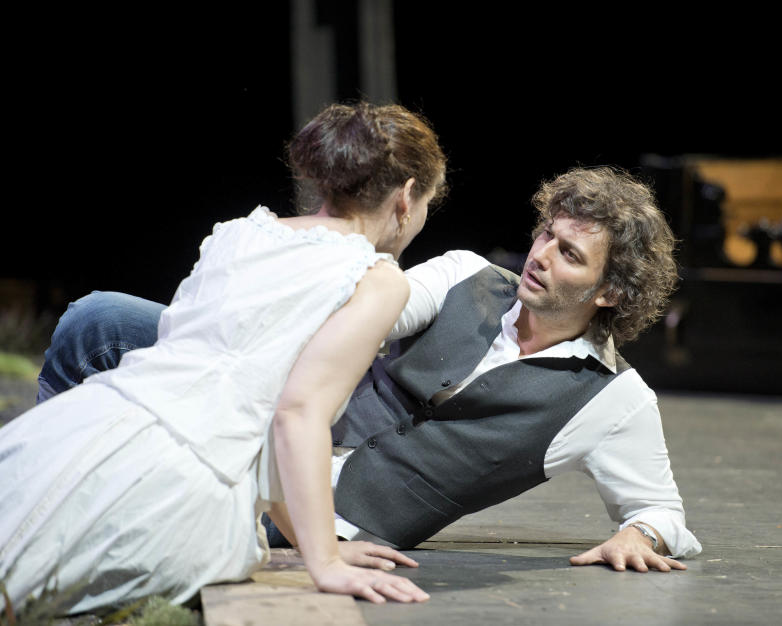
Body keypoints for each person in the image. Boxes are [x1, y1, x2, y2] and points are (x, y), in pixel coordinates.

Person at [34, 166, 703, 574]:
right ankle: (36, 477)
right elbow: (370, 311)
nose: (540, 255)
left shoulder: (615, 401)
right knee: (101, 319)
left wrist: (638, 534)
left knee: (136, 488)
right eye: (544, 236)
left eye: (568, 255)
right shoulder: (467, 273)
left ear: (610, 292)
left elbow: (661, 510)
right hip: (274, 426)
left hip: (320, 517)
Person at [0, 101, 447, 613]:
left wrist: (309, 543)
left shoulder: (239, 232)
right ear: (408, 196)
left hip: (86, 425)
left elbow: (257, 423)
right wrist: (326, 562)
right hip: (177, 483)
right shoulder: (377, 278)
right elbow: (295, 415)